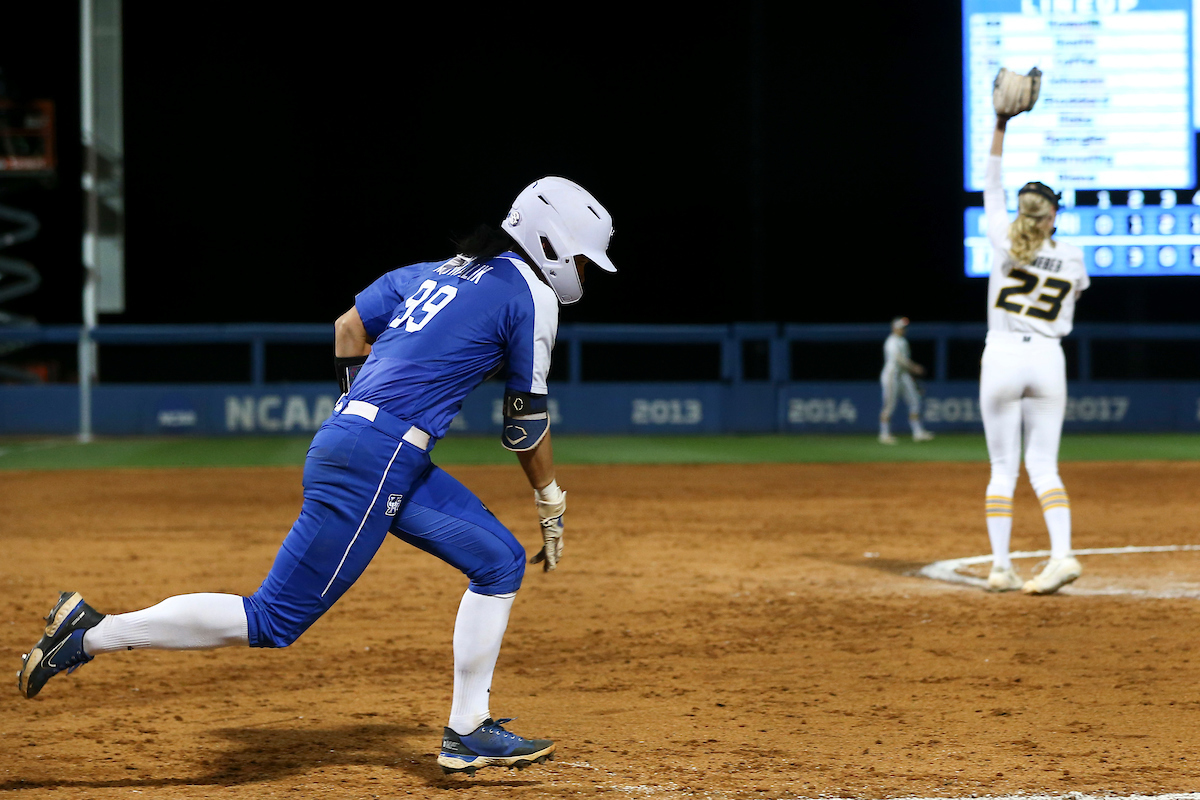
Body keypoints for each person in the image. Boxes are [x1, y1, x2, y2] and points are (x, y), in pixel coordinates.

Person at [16, 176, 617, 776]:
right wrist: (549, 498)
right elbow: (525, 424)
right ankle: (92, 633)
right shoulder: (530, 294)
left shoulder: (437, 271)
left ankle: (468, 730)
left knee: (498, 561)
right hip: (380, 455)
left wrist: (359, 416)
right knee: (272, 618)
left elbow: (347, 327)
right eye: (584, 261)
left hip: (372, 448)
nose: (583, 274)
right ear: (553, 244)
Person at [981, 109, 1088, 595]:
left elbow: (992, 185)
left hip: (1002, 354)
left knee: (1002, 469)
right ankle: (1061, 555)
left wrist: (1001, 123)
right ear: (1052, 217)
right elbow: (1076, 291)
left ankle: (1001, 568)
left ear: (1021, 214)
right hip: (1047, 356)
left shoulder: (1003, 240)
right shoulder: (1072, 255)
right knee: (1044, 466)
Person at [878, 316, 934, 444]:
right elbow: (899, 359)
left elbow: (903, 362)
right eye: (901, 327)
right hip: (891, 375)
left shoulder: (903, 341)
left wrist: (912, 375)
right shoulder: (891, 341)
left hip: (903, 375)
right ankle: (884, 434)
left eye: (904, 327)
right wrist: (914, 368)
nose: (903, 329)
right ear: (894, 328)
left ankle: (918, 432)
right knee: (889, 405)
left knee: (915, 400)